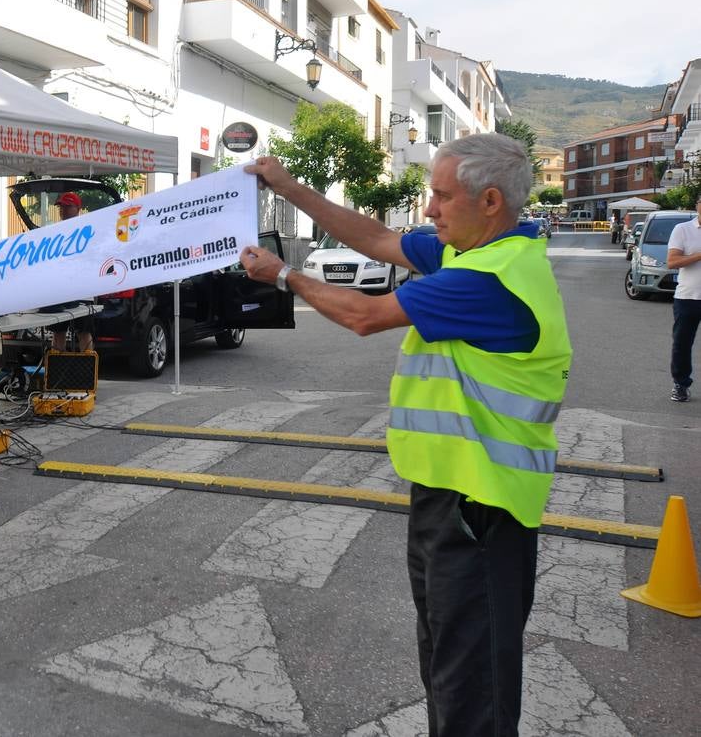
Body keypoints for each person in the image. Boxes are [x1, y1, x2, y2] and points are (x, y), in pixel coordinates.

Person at [238, 133, 571, 736]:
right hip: (448, 496)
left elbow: (365, 317)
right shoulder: (471, 252)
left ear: (491, 201)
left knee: (473, 687)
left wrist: (283, 275)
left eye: (441, 196)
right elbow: (378, 239)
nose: (429, 209)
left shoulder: (489, 280)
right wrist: (288, 187)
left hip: (482, 507)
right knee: (449, 662)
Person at [665, 195, 701, 402]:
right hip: (688, 297)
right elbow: (672, 262)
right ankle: (680, 384)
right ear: (698, 206)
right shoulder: (683, 230)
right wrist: (698, 255)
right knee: (682, 343)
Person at [50, 192, 94, 353]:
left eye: (68, 206)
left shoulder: (87, 230)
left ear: (78, 208)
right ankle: (56, 374)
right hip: (60, 292)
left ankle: (87, 374)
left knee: (84, 332)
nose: (63, 210)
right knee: (58, 333)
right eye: (61, 206)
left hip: (83, 292)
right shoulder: (54, 232)